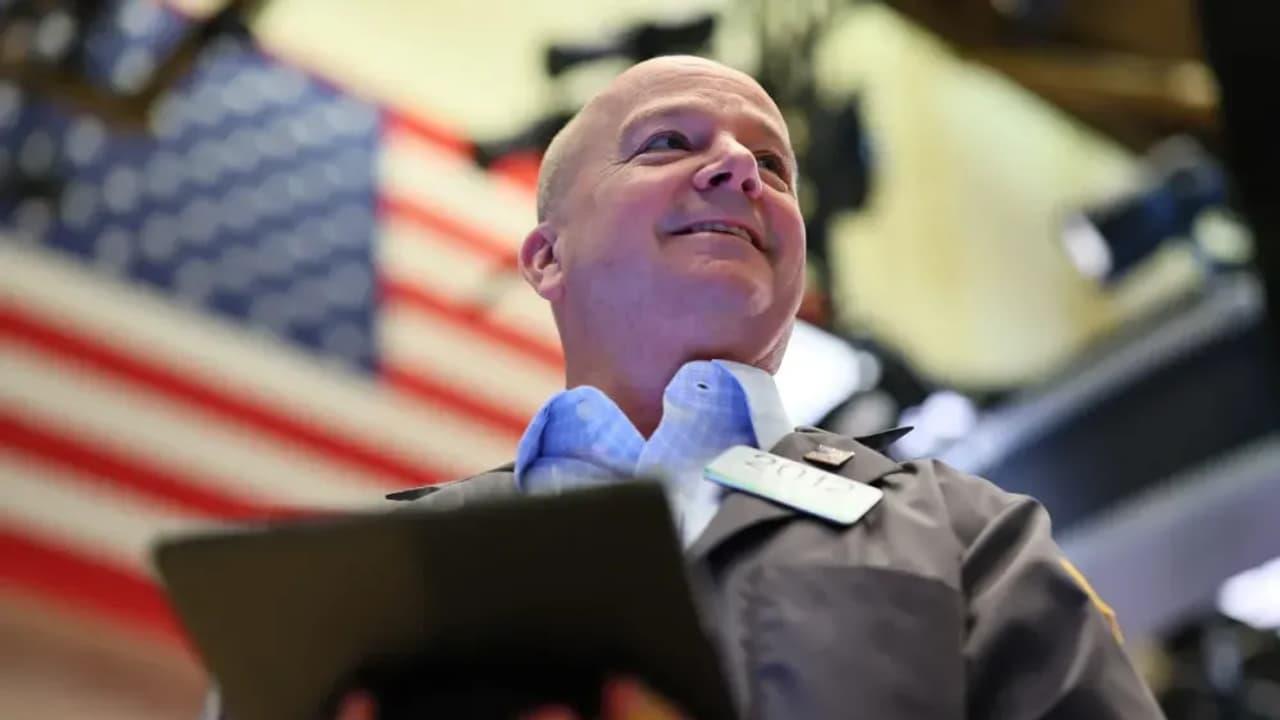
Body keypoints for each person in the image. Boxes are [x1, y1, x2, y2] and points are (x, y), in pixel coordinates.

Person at [207, 55, 1166, 719]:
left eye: (773, 166)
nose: (742, 169)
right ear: (547, 257)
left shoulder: (971, 537)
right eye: (668, 142)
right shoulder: (374, 572)